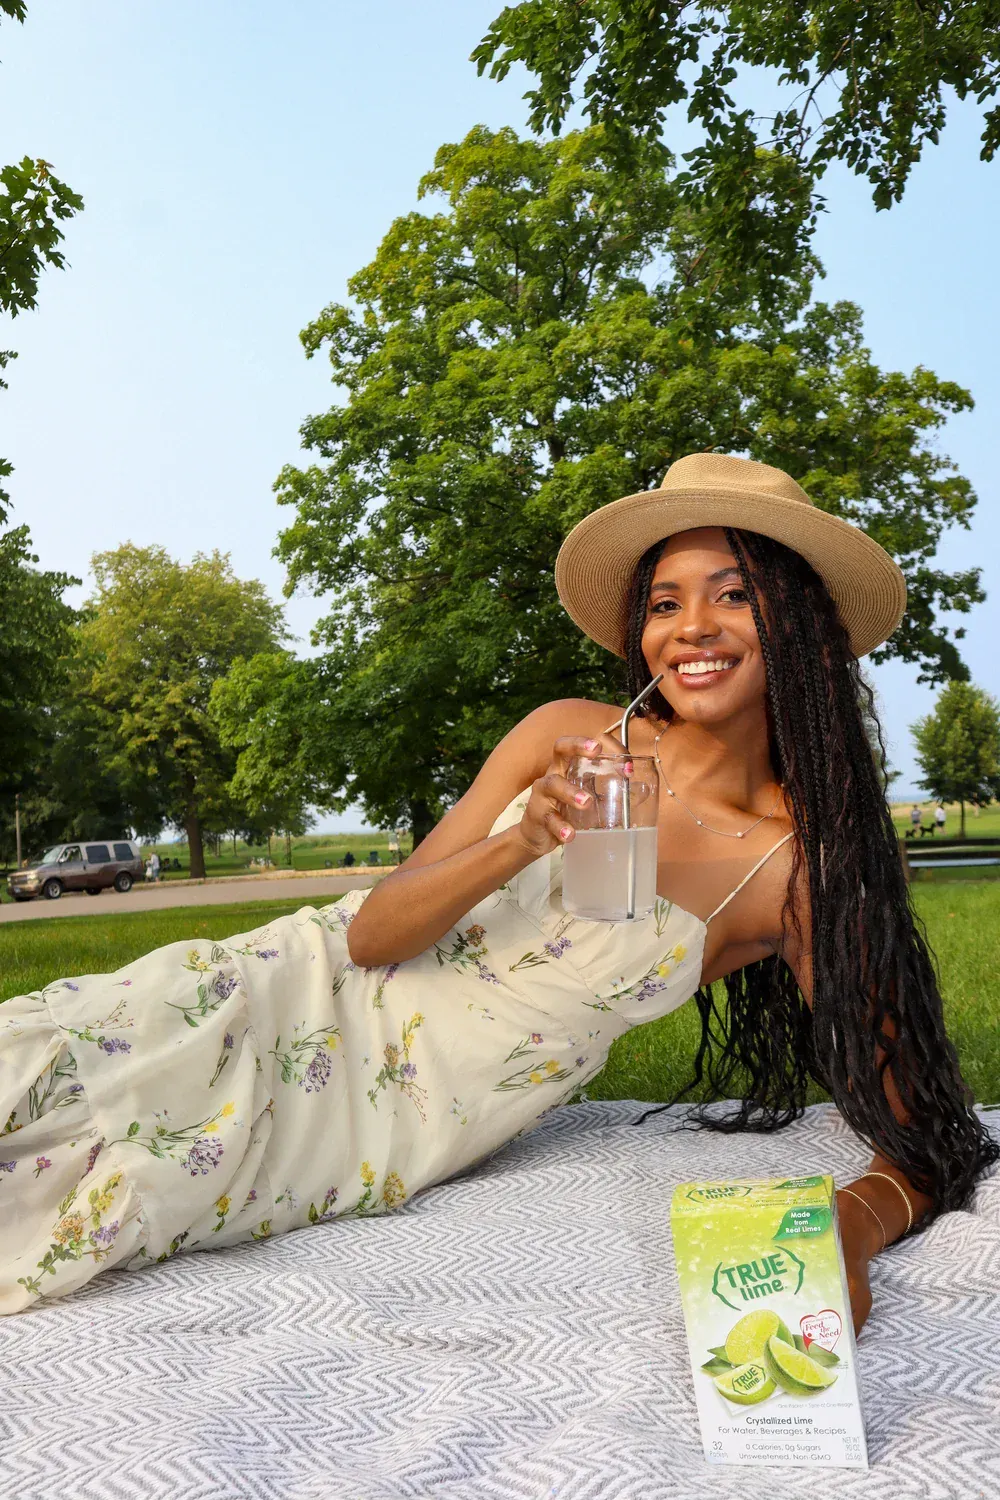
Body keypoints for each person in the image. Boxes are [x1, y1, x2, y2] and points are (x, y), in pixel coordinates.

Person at [2, 453, 995, 1322]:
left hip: (371, 1131)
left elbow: (912, 1125)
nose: (691, 625)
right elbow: (370, 938)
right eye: (663, 601)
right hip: (278, 996)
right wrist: (523, 838)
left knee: (88, 1202)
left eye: (733, 593)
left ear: (805, 628)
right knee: (46, 1073)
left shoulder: (792, 868)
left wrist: (845, 1237)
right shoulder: (567, 734)